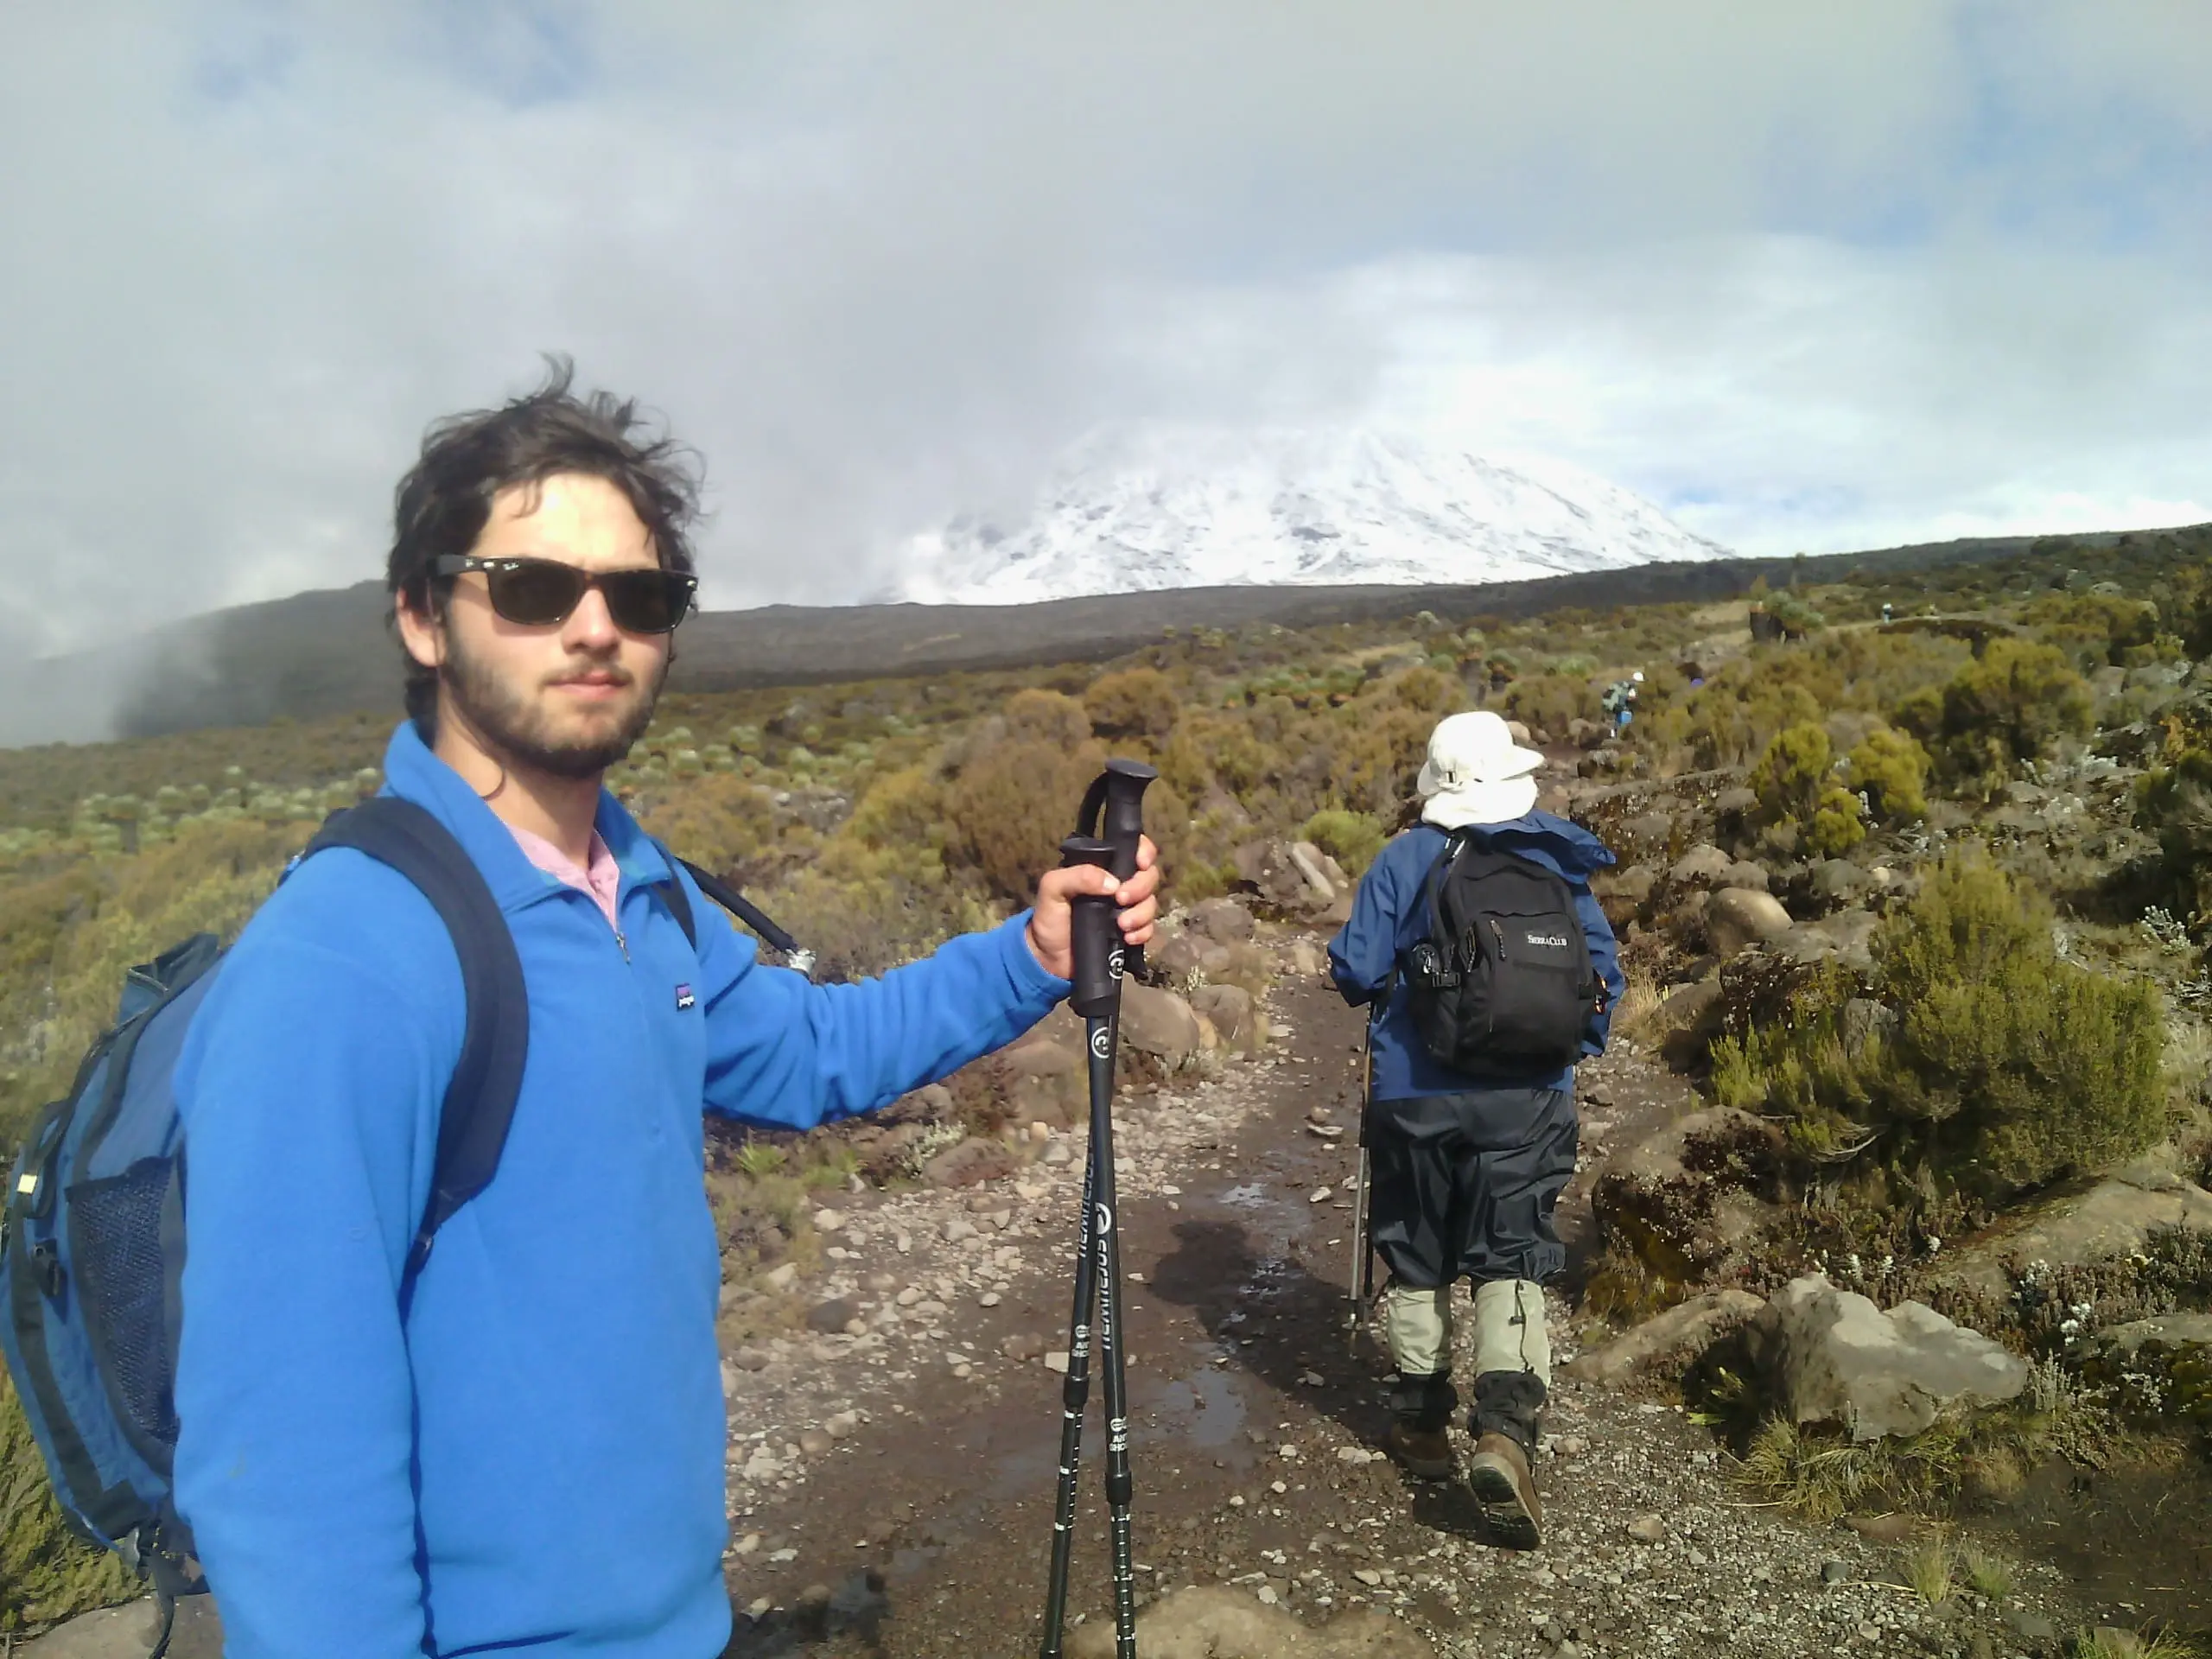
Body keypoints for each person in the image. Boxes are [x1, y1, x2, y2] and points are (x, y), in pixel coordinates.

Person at [169, 362, 1160, 1658]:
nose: (594, 628)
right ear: (422, 617)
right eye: (530, 588)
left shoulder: (640, 894)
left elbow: (812, 1054)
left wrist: (1028, 954)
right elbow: (283, 1457)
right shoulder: (348, 959)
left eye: (637, 595)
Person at [1327, 710, 1623, 1548]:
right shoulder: (1556, 859)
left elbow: (1352, 967)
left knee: (1416, 1254)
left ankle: (1422, 1426)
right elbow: (1603, 976)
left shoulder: (1404, 857)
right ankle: (1506, 1433)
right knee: (1512, 1255)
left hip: (1413, 1100)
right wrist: (1569, 1053)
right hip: (1527, 1097)